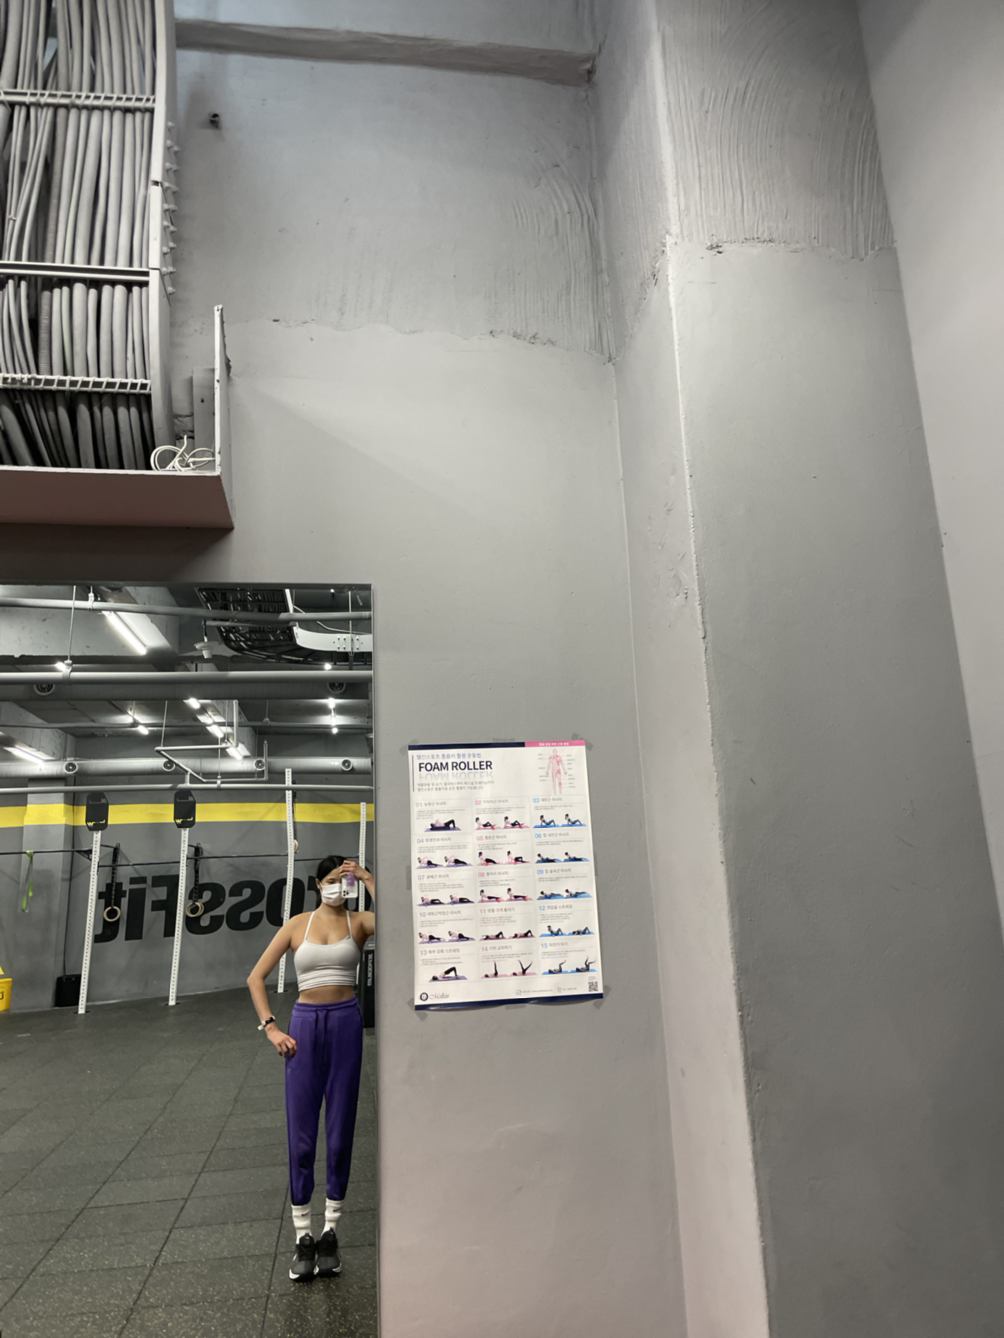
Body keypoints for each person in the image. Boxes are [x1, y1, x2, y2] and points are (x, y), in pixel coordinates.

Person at [248, 856, 375, 1284]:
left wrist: (368, 877)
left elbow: (400, 923)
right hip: (304, 1026)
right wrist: (271, 1028)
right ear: (319, 884)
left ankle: (330, 1231)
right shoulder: (296, 925)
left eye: (345, 880)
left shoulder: (359, 923)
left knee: (339, 1132)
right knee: (301, 1135)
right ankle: (303, 1235)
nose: (339, 887)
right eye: (332, 880)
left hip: (345, 1024)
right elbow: (255, 978)